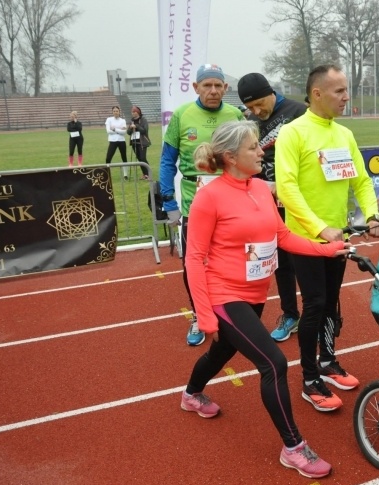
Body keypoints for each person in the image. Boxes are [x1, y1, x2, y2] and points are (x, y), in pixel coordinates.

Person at [181, 120, 349, 478]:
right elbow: (193, 258)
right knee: (274, 363)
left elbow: (283, 236)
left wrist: (326, 249)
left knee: (221, 353)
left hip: (255, 295)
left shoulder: (260, 188)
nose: (261, 151)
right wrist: (204, 314)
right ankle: (294, 448)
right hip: (224, 296)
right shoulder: (209, 197)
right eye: (253, 147)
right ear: (230, 156)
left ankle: (191, 394)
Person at [275, 64, 379, 412]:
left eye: (346, 90)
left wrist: (372, 213)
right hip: (306, 239)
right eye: (339, 91)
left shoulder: (344, 134)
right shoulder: (292, 134)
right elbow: (286, 188)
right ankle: (309, 378)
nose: (346, 97)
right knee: (314, 305)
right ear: (317, 94)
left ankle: (327, 360)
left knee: (330, 304)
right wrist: (319, 228)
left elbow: (362, 181)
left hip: (338, 238)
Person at [159, 63, 244, 347]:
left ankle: (234, 312)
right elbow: (167, 161)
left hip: (231, 205)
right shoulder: (182, 115)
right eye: (207, 85)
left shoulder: (235, 115)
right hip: (194, 205)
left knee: (233, 261)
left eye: (218, 85)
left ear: (226, 88)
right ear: (195, 87)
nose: (213, 91)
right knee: (193, 264)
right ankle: (199, 314)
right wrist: (168, 200)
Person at [237, 71, 306, 343]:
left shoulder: (299, 112)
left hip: (300, 204)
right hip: (264, 206)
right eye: (250, 107)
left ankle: (321, 314)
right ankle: (290, 314)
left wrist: (286, 184)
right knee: (279, 263)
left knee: (308, 260)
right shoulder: (250, 121)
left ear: (271, 93)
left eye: (258, 104)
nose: (255, 111)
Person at [105, 105, 128, 179]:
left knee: (124, 157)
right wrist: (119, 129)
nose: (115, 112)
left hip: (121, 141)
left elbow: (124, 132)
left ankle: (125, 174)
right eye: (114, 111)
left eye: (117, 111)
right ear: (112, 112)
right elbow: (108, 131)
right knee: (108, 158)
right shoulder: (109, 119)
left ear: (119, 111)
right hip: (112, 141)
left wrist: (114, 129)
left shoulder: (122, 120)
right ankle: (107, 173)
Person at [128, 105, 150, 179]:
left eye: (134, 112)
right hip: (134, 142)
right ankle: (144, 174)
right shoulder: (131, 121)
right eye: (132, 112)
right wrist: (131, 128)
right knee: (139, 159)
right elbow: (128, 132)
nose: (133, 113)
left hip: (142, 142)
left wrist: (136, 126)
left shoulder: (143, 120)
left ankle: (148, 174)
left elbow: (144, 130)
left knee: (143, 158)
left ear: (138, 112)